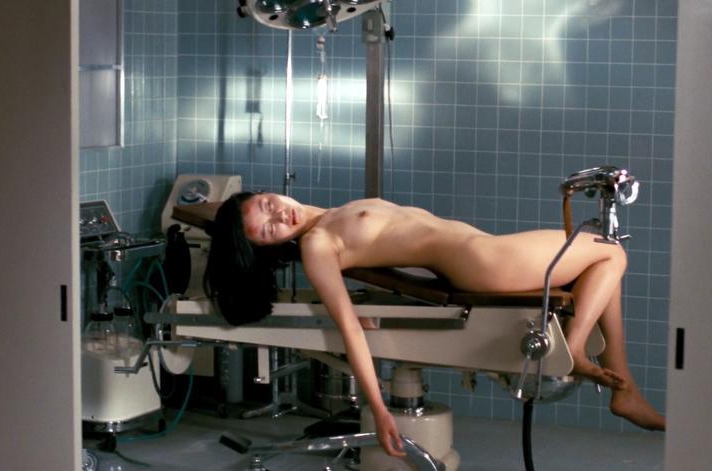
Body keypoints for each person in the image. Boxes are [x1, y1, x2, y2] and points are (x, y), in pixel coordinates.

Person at [205, 191, 666, 457]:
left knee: (602, 266)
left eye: (267, 204)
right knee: (609, 251)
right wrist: (379, 410)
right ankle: (579, 351)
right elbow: (348, 329)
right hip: (483, 261)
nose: (279, 215)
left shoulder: (328, 217)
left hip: (485, 249)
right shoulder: (317, 244)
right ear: (271, 247)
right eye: (269, 229)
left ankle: (624, 388)